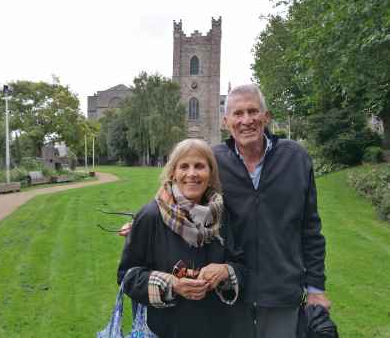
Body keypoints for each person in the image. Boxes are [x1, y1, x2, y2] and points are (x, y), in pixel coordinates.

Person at [213, 83, 331, 338]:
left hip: (282, 292)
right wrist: (147, 223)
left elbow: (310, 229)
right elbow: (182, 199)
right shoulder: (213, 162)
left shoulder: (296, 158)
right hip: (231, 291)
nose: (246, 120)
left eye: (253, 111)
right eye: (238, 113)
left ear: (266, 117)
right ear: (226, 122)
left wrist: (315, 288)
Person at [117, 139, 245, 338]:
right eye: (184, 166)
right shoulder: (151, 215)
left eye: (199, 166)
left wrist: (225, 271)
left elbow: (241, 264)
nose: (192, 174)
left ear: (210, 173)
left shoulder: (223, 215)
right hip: (164, 329)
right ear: (172, 173)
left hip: (215, 328)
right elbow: (127, 276)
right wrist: (172, 284)